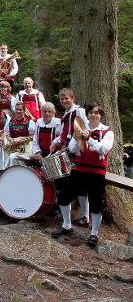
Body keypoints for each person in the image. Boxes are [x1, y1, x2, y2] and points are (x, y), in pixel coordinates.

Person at [52, 103, 114, 248]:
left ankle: (94, 233)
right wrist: (77, 136)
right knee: (63, 197)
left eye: (96, 113)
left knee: (96, 204)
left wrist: (89, 139)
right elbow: (73, 149)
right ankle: (66, 225)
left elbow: (103, 149)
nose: (93, 115)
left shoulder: (107, 132)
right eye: (91, 112)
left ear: (101, 115)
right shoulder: (81, 128)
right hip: (79, 170)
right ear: (87, 115)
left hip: (96, 173)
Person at [50, 88, 90, 226]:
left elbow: (85, 128)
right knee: (63, 180)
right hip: (67, 150)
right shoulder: (66, 113)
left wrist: (73, 144)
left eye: (67, 98)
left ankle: (85, 216)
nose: (64, 101)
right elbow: (63, 133)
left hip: (78, 152)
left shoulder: (79, 111)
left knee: (80, 187)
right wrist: (55, 143)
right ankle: (63, 207)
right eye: (62, 99)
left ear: (72, 98)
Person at [4, 102, 36, 167]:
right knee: (10, 157)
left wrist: (21, 139)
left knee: (12, 158)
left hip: (26, 145)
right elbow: (7, 135)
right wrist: (12, 139)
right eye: (17, 109)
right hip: (14, 145)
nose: (18, 111)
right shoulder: (10, 122)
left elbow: (33, 136)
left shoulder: (30, 122)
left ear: (24, 111)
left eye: (20, 109)